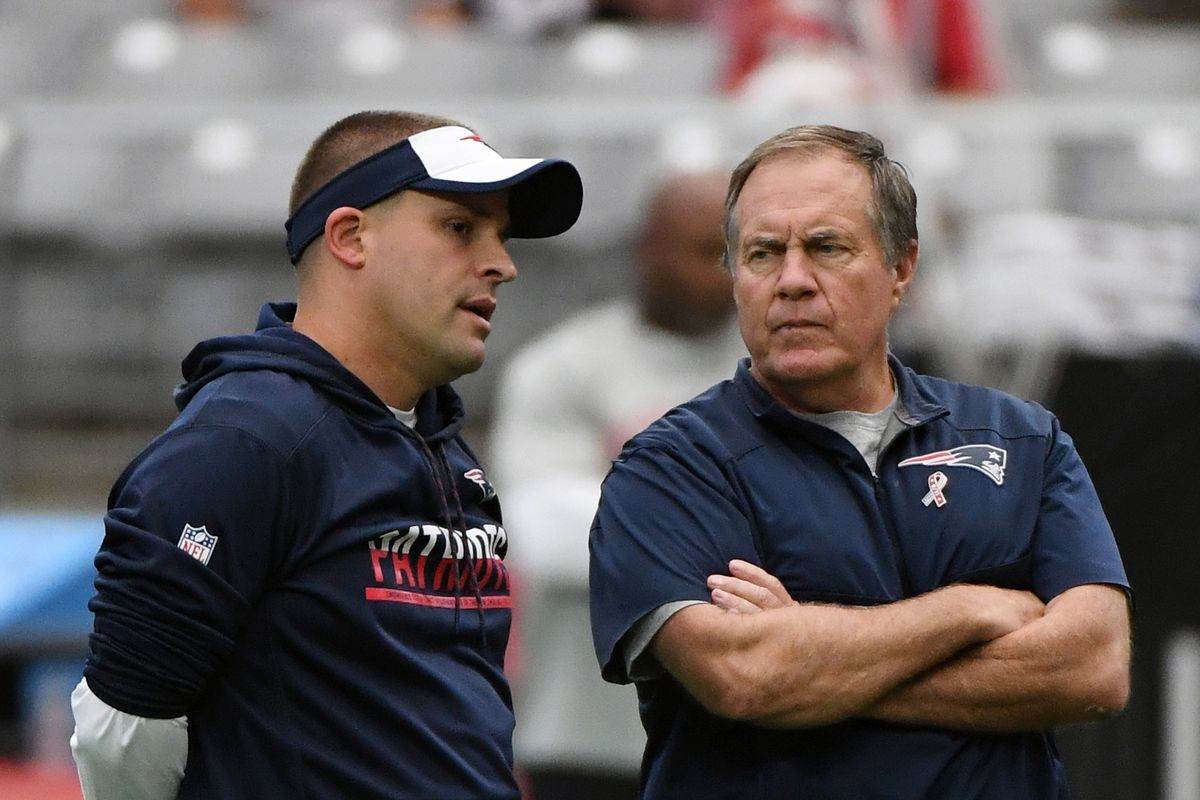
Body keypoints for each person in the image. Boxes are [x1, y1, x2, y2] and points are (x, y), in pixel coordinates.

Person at [588, 125, 1131, 800]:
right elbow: (744, 676)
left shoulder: (1022, 439)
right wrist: (966, 612)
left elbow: (1094, 668)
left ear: (901, 268)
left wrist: (816, 662)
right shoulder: (670, 467)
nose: (792, 281)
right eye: (762, 254)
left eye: (825, 247)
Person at [68, 110, 582, 800]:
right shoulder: (248, 440)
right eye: (461, 228)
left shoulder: (445, 449)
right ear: (349, 237)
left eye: (501, 235)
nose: (503, 264)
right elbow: (120, 736)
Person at [490, 170, 741, 799]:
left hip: (742, 721)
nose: (726, 272)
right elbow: (546, 534)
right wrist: (746, 522)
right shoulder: (563, 365)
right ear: (647, 246)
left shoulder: (780, 366)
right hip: (580, 726)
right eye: (705, 251)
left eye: (739, 252)